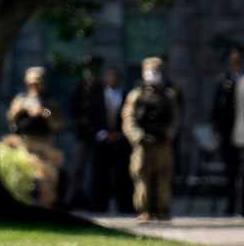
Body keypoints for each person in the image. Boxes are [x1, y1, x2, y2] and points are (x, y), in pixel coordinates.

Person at [122, 56, 181, 222]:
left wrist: (168, 134)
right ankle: (144, 211)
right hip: (143, 144)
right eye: (150, 71)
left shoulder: (169, 95)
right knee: (142, 177)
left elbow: (175, 119)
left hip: (162, 143)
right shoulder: (136, 96)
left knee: (163, 178)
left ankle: (162, 211)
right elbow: (128, 119)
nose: (153, 75)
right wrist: (138, 136)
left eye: (156, 71)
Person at [8, 67, 65, 208]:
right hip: (24, 142)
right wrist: (22, 109)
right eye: (32, 83)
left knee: (47, 177)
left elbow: (56, 122)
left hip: (44, 143)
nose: (35, 86)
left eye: (38, 83)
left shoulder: (49, 101)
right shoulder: (21, 100)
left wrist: (42, 112)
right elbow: (12, 119)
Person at [66, 56, 104, 209]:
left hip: (97, 134)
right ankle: (70, 199)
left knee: (95, 169)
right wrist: (79, 122)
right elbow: (72, 110)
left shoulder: (100, 88)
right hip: (82, 134)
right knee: (77, 169)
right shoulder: (79, 86)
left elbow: (102, 111)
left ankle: (94, 201)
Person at [210, 45, 244, 215]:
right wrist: (216, 131)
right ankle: (231, 205)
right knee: (231, 171)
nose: (235, 62)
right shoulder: (223, 81)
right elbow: (216, 109)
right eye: (232, 60)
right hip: (228, 132)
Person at [96, 67, 131, 213]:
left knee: (121, 175)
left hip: (120, 139)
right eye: (109, 76)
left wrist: (120, 134)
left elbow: (129, 117)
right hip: (101, 139)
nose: (112, 79)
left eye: (114, 76)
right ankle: (99, 206)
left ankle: (124, 206)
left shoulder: (126, 95)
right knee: (100, 175)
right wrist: (102, 133)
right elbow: (93, 115)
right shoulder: (98, 96)